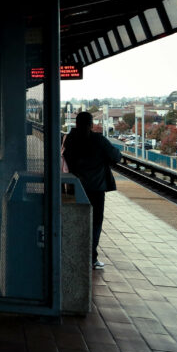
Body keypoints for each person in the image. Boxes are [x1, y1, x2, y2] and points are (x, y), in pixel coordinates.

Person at [62, 112, 122, 268]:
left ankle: (73, 253)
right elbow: (116, 156)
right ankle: (91, 257)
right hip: (95, 189)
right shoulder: (98, 140)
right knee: (95, 222)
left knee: (75, 220)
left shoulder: (69, 138)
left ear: (76, 123)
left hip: (73, 187)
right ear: (91, 124)